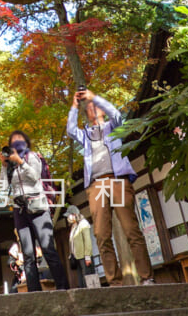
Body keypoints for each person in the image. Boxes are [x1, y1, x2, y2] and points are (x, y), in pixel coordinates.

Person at [67, 89, 153, 286]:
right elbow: (71, 130)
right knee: (101, 234)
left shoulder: (113, 127)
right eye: (89, 107)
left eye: (95, 106)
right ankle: (114, 282)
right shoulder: (85, 135)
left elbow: (116, 114)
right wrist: (74, 105)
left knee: (131, 229)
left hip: (117, 181)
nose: (92, 108)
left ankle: (147, 277)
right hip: (97, 186)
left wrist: (94, 97)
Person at [3, 131, 70, 291]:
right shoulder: (10, 165)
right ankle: (34, 291)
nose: (16, 144)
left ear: (26, 142)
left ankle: (63, 287)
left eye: (19, 140)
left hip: (37, 206)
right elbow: (4, 187)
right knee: (27, 254)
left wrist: (21, 162)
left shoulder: (32, 156)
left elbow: (35, 176)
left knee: (48, 248)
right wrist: (4, 166)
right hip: (20, 210)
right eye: (13, 141)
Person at [65, 205, 98, 289]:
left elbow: (87, 241)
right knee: (81, 280)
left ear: (74, 214)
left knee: (88, 278)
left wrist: (87, 256)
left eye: (69, 215)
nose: (68, 218)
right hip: (77, 256)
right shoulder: (74, 226)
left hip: (84, 256)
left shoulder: (83, 223)